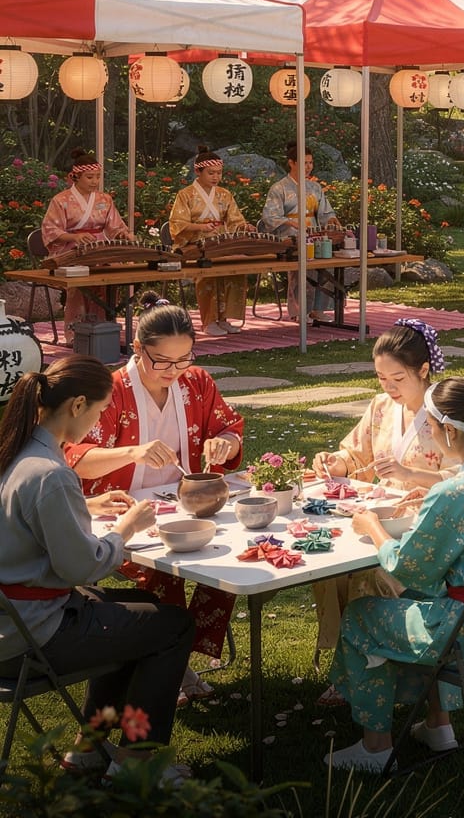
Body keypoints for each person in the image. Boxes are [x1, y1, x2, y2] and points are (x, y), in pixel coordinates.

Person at [325, 376, 464, 772]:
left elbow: (407, 568)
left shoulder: (456, 492)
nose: (427, 431)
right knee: (425, 601)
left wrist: (372, 527)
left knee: (361, 616)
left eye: (429, 424)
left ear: (449, 431)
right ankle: (438, 725)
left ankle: (376, 748)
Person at [0, 354, 193, 782]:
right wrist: (125, 530)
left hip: (13, 622)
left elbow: (24, 516)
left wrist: (86, 504)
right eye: (100, 411)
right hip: (30, 638)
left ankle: (89, 748)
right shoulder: (50, 474)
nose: (98, 421)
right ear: (77, 405)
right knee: (175, 626)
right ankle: (137, 764)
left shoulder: (17, 452)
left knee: (141, 605)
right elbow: (82, 568)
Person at [65, 294, 245, 704]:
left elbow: (229, 427)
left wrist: (224, 443)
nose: (174, 371)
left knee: (229, 563)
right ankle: (173, 662)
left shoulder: (197, 382)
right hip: (123, 511)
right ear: (137, 348)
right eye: (162, 361)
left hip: (186, 503)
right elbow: (76, 457)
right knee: (165, 572)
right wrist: (133, 452)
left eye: (183, 359)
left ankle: (181, 655)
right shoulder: (111, 391)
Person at [309, 319, 456, 702]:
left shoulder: (446, 411)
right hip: (380, 515)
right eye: (381, 378)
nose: (388, 387)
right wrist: (336, 462)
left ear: (423, 370)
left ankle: (367, 671)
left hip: (427, 522)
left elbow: (463, 476)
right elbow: (356, 454)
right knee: (329, 565)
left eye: (397, 379)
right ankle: (349, 660)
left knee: (369, 572)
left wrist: (410, 474)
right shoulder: (380, 407)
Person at [41, 147, 135, 339]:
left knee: (110, 279)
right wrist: (74, 237)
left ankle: (104, 330)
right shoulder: (61, 200)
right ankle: (76, 334)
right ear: (75, 177)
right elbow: (50, 229)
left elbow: (114, 227)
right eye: (90, 177)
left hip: (99, 249)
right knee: (78, 284)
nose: (95, 181)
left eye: (98, 177)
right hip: (71, 249)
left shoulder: (105, 199)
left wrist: (123, 234)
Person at [168, 146, 248, 335]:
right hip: (196, 244)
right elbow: (177, 223)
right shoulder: (185, 194)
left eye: (219, 173)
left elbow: (235, 220)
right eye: (211, 173)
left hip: (220, 242)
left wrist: (244, 227)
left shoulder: (224, 194)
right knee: (208, 272)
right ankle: (209, 321)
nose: (216, 177)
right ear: (198, 171)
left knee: (236, 268)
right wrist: (200, 228)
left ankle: (224, 318)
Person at [261, 141, 342, 323]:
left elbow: (325, 212)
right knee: (300, 271)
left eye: (310, 162)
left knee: (327, 265)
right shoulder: (279, 188)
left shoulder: (315, 187)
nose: (308, 167)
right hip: (290, 235)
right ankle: (299, 310)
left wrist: (330, 219)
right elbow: (270, 217)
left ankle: (318, 309)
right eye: (304, 163)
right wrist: (291, 222)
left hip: (313, 233)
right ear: (291, 162)